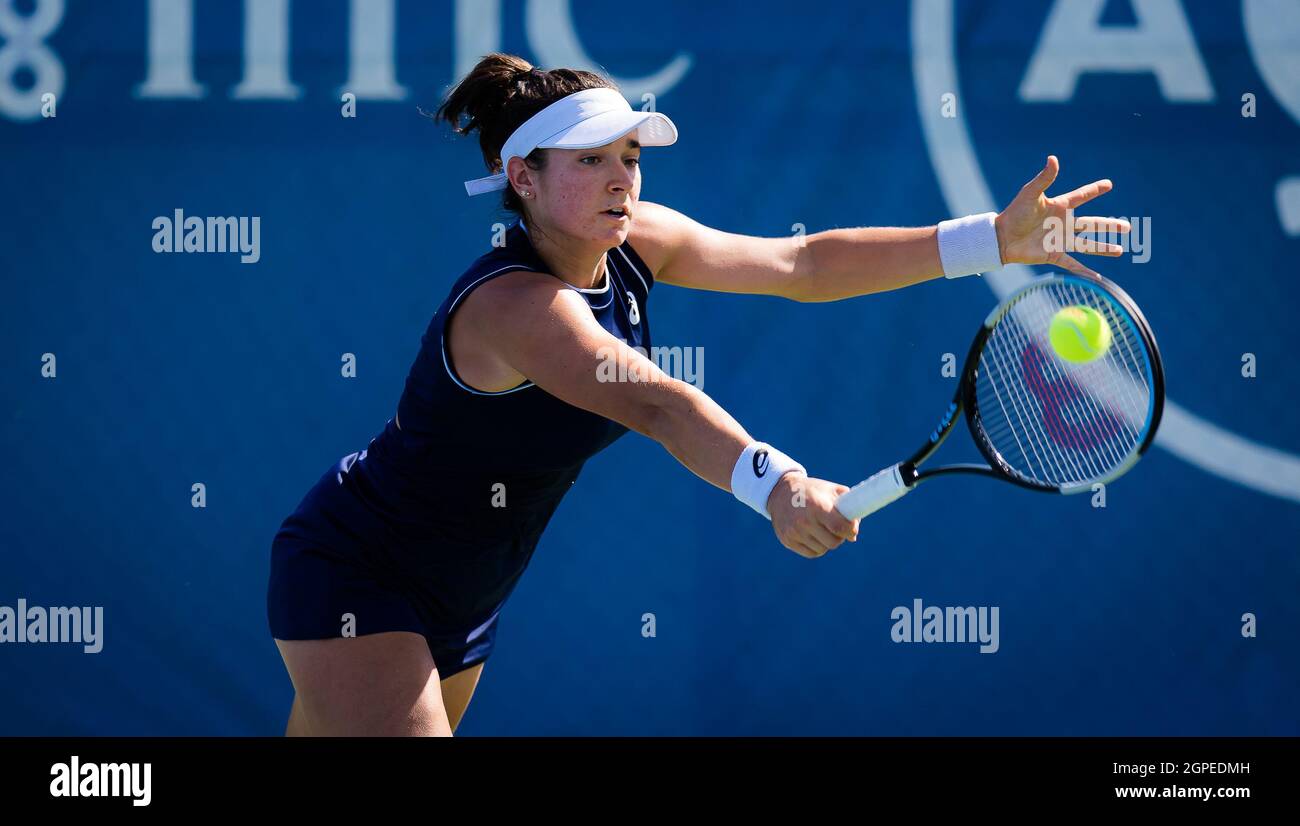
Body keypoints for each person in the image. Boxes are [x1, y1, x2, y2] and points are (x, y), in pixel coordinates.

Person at [266, 53, 1128, 736]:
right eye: (592, 161)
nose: (622, 179)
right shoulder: (516, 310)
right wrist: (782, 485)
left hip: (466, 595)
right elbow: (658, 405)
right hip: (358, 572)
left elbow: (804, 264)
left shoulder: (638, 239)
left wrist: (992, 241)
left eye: (631, 157)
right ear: (520, 178)